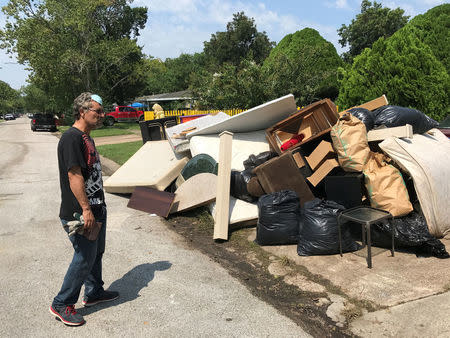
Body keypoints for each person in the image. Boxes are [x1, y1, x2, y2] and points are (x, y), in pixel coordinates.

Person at [49, 92, 119, 326]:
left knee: (96, 253)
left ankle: (94, 292)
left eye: (102, 111)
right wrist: (86, 210)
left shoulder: (86, 137)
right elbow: (74, 175)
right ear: (82, 111)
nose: (102, 115)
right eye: (97, 111)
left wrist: (97, 207)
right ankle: (62, 303)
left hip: (97, 208)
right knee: (83, 257)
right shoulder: (71, 138)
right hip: (80, 212)